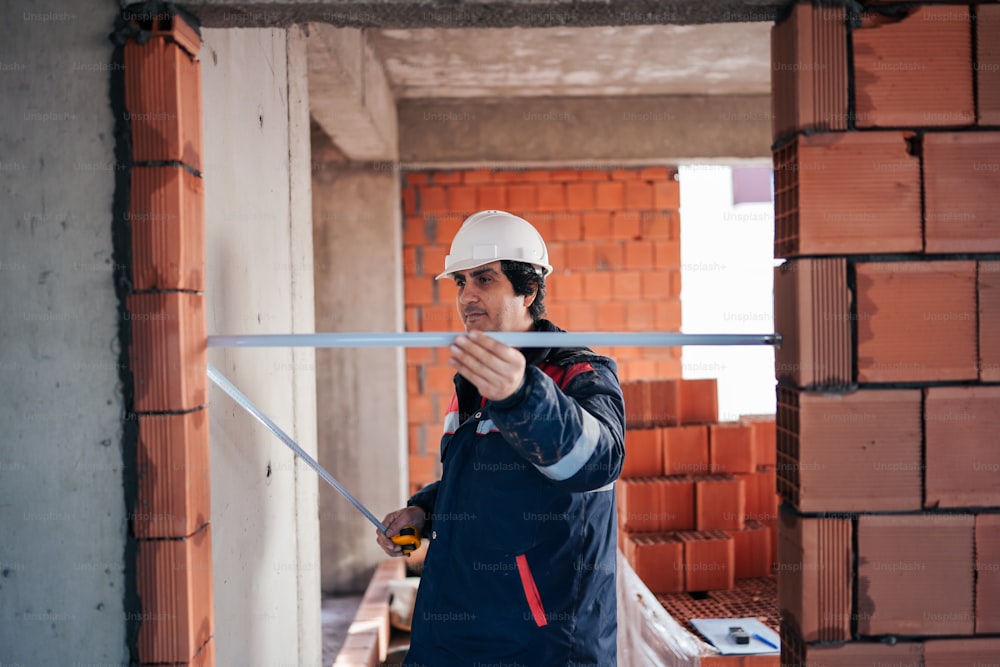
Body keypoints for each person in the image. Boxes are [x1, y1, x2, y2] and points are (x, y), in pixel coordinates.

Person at [377, 210, 626, 667]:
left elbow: (598, 463)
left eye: (484, 280)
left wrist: (522, 394)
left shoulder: (579, 373)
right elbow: (484, 480)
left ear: (528, 289)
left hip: (540, 646)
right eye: (460, 282)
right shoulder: (473, 381)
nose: (467, 296)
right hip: (452, 635)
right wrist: (426, 510)